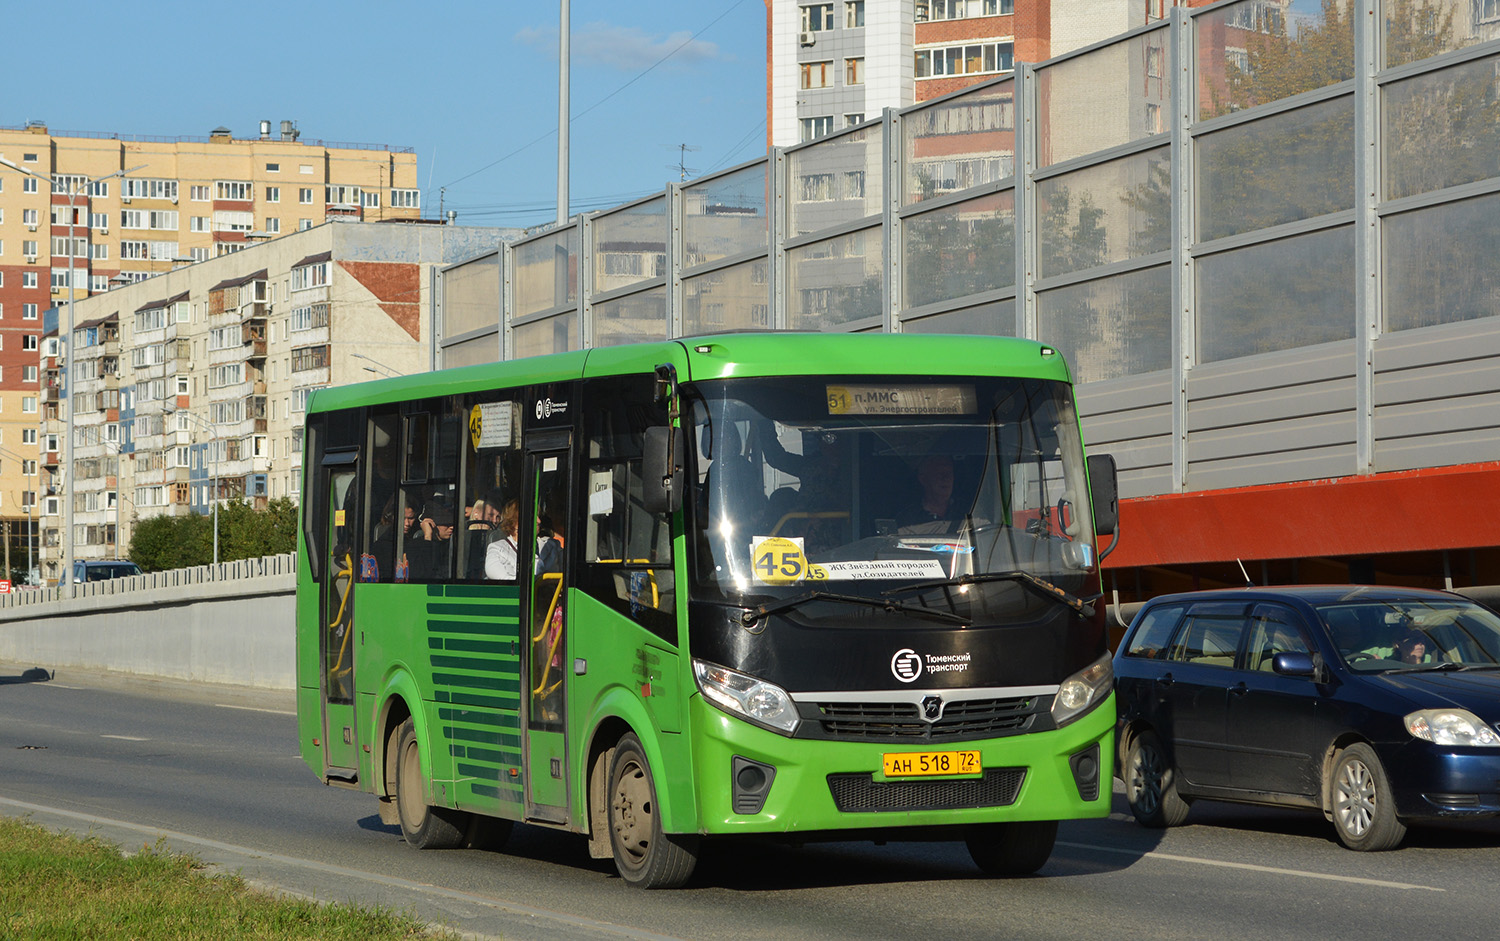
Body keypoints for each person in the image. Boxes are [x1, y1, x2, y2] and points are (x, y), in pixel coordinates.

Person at [897, 455, 963, 531]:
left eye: (949, 473)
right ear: (923, 479)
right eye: (940, 473)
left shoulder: (969, 512)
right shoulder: (908, 520)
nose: (946, 478)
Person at [485, 500, 521, 581]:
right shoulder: (497, 549)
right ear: (514, 523)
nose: (539, 521)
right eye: (533, 517)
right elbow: (503, 579)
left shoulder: (547, 546)